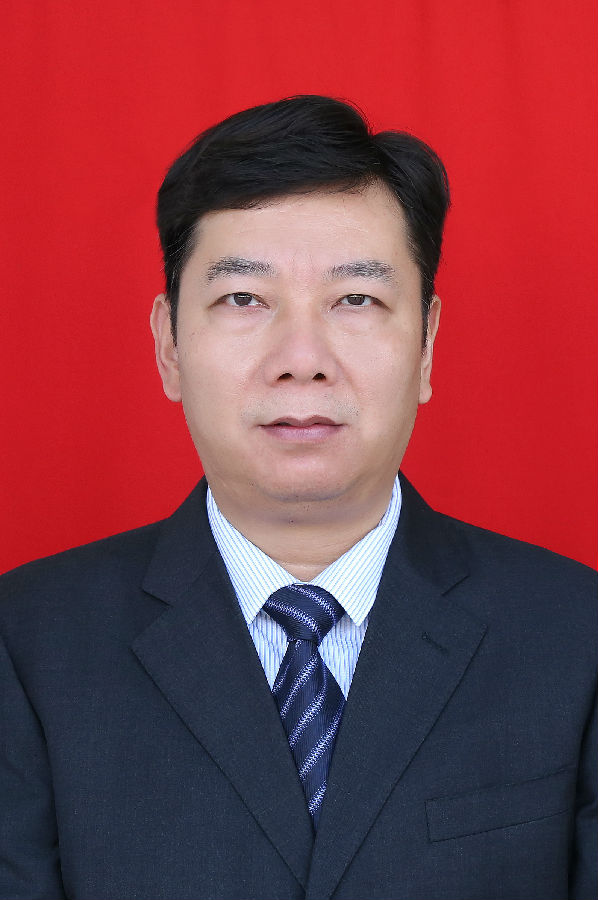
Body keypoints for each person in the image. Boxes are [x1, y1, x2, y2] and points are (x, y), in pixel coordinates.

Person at [0, 95, 595, 900]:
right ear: (168, 344)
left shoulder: (576, 636)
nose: (302, 358)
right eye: (244, 299)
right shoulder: (26, 644)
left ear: (427, 344)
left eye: (356, 299)